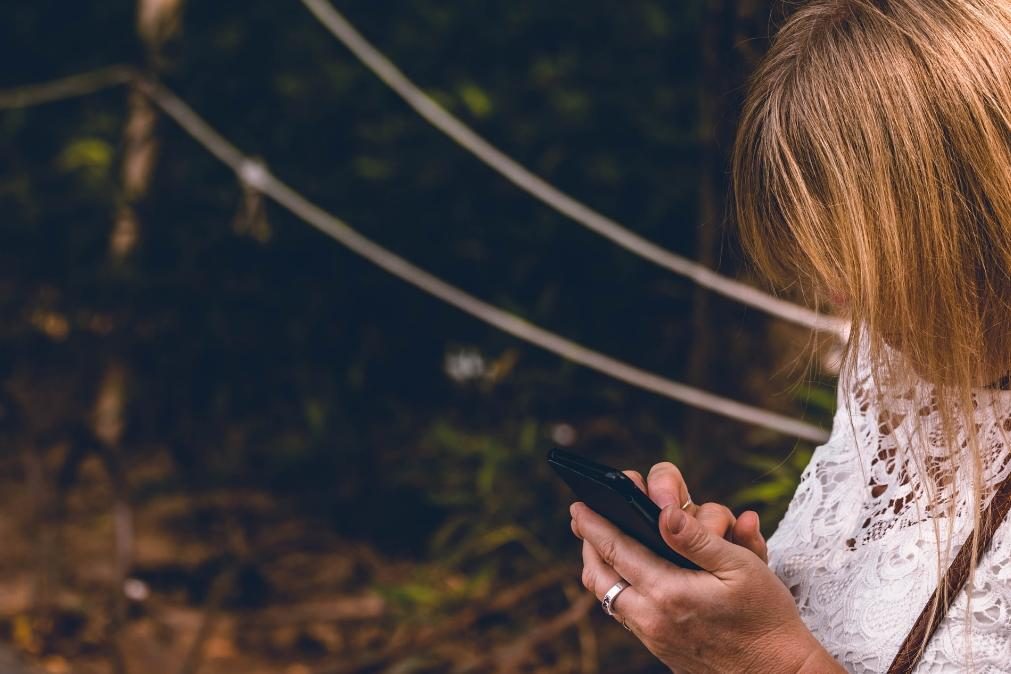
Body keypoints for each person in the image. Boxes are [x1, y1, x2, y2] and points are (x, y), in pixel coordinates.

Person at [569, 0, 1011, 671]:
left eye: (872, 256)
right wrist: (751, 602)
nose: (840, 296)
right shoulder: (889, 370)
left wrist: (774, 660)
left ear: (980, 217)